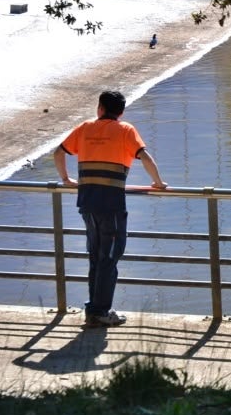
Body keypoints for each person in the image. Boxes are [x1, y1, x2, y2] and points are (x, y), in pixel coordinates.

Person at [53, 90, 167, 328]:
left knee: (96, 257)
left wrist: (66, 179)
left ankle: (93, 309)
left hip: (86, 203)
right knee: (110, 257)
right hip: (111, 205)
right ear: (121, 112)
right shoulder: (125, 130)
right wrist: (157, 182)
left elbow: (58, 152)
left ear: (100, 108)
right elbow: (144, 156)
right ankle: (101, 311)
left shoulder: (85, 128)